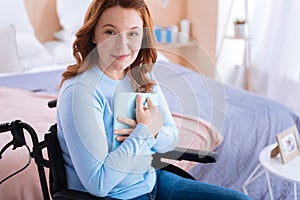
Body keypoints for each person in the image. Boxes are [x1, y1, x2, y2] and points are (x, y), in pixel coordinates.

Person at [57, 0, 252, 199]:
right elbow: (99, 184)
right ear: (93, 35)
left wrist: (153, 133)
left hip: (152, 181)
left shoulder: (140, 77)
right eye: (110, 32)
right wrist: (144, 131)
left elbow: (170, 139)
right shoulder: (80, 92)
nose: (122, 45)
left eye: (133, 33)